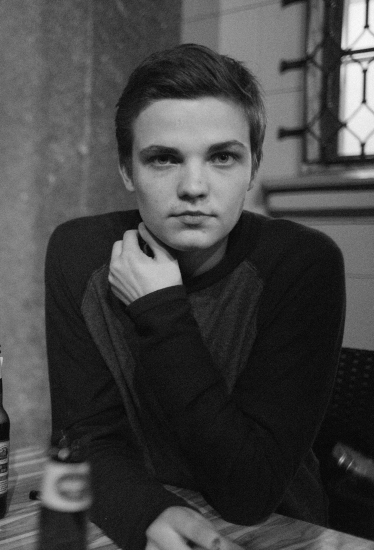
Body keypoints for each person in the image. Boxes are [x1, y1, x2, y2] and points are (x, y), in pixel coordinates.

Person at [45, 44, 345, 550]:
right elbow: (84, 440)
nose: (194, 187)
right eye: (164, 159)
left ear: (253, 168)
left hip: (275, 532)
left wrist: (160, 308)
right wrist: (148, 513)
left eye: (223, 157)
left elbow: (249, 491)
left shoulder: (302, 263)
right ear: (126, 170)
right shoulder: (80, 254)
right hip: (139, 516)